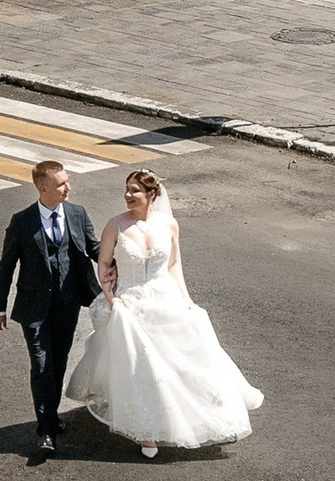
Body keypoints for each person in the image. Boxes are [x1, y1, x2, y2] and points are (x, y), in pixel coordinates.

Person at [66, 168, 262, 457]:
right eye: (127, 189)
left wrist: (186, 298)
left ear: (151, 195)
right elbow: (104, 265)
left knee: (185, 357)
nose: (128, 195)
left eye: (135, 190)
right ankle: (147, 432)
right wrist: (112, 299)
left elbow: (173, 265)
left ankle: (196, 415)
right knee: (143, 365)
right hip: (131, 300)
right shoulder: (115, 226)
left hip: (164, 296)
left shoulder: (169, 225)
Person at [0, 155, 100, 461]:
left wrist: (124, 265)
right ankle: (46, 431)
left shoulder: (77, 214)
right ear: (43, 188)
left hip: (67, 303)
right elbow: (7, 265)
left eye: (67, 181)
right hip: (34, 307)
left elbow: (93, 249)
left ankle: (50, 417)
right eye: (62, 183)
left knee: (59, 361)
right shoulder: (22, 221)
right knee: (41, 364)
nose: (68, 187)